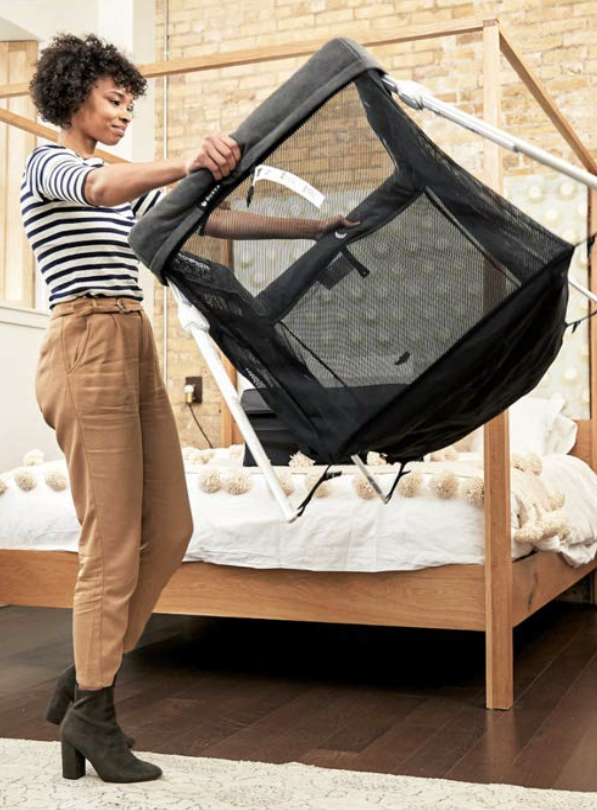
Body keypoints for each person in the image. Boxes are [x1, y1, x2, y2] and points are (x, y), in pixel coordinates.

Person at [24, 33, 355, 783]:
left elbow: (207, 221)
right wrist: (189, 158)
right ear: (74, 94)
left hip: (130, 340)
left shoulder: (120, 175)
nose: (123, 115)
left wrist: (313, 227)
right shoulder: (51, 164)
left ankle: (82, 683)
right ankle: (97, 710)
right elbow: (102, 191)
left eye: (130, 105)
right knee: (109, 545)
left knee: (170, 528)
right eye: (114, 100)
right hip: (84, 344)